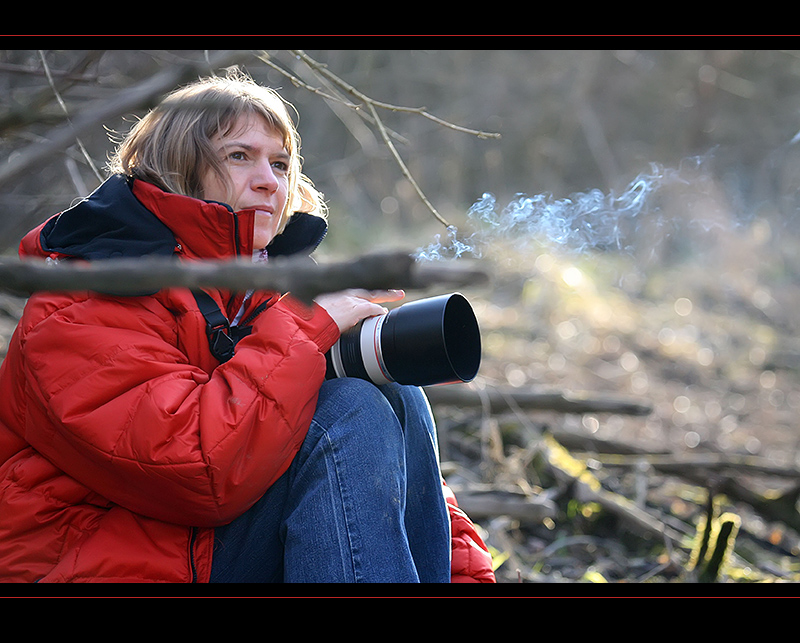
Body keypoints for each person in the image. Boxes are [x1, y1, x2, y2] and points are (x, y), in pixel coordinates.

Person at [0, 70, 495, 584]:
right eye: (240, 156)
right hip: (106, 564)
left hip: (205, 550)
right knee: (348, 412)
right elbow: (196, 472)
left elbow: (413, 492)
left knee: (397, 394)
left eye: (280, 164)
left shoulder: (267, 291)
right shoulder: (83, 297)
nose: (269, 181)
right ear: (175, 167)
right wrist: (306, 329)